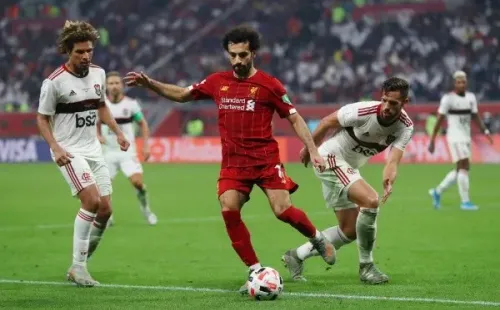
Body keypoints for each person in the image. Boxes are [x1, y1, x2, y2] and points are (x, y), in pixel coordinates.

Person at [124, 25, 336, 292]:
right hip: (234, 163)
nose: (237, 60)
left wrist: (314, 150)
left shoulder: (269, 85)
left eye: (243, 55)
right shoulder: (217, 82)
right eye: (233, 55)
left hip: (265, 159)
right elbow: (181, 95)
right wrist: (149, 83)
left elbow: (294, 117)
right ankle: (255, 270)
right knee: (228, 208)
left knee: (282, 210)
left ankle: (316, 238)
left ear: (253, 54)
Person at [282, 77, 414, 284]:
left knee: (350, 230)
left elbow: (393, 161)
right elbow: (326, 122)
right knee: (370, 201)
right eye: (385, 100)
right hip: (330, 158)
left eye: (394, 103)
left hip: (348, 168)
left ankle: (296, 256)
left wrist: (389, 178)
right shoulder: (362, 111)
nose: (387, 107)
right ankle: (367, 267)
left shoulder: (405, 127)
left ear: (405, 102)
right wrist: (311, 149)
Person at [36, 20, 129, 287]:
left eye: (89, 50)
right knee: (91, 201)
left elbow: (101, 107)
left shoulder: (99, 74)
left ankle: (81, 262)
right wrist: (55, 147)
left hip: (93, 149)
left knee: (106, 210)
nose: (86, 56)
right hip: (68, 150)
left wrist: (118, 132)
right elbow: (42, 119)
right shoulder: (54, 83)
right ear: (68, 50)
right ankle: (78, 267)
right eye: (80, 52)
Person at [97, 72, 157, 226]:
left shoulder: (131, 105)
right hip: (108, 152)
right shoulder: (101, 105)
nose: (114, 86)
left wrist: (145, 145)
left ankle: (146, 210)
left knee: (137, 183)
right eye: (111, 83)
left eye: (117, 83)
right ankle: (108, 216)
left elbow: (142, 124)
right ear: (106, 86)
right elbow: (96, 123)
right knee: (104, 188)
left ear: (122, 86)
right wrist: (97, 135)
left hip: (127, 153)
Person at [428, 71, 492, 211]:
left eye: (463, 82)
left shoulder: (471, 97)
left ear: (466, 82)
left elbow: (475, 116)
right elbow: (439, 120)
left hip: (465, 137)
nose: (461, 84)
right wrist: (432, 140)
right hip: (454, 137)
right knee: (464, 166)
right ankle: (465, 202)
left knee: (460, 169)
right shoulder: (448, 99)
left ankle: (437, 192)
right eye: (458, 82)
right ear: (454, 83)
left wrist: (485, 131)